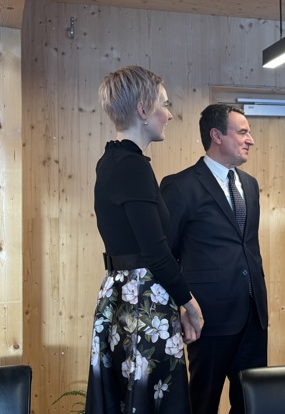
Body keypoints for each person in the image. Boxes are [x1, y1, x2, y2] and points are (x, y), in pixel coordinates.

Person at [86, 65, 203, 414]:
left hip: (122, 295)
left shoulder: (111, 160)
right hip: (143, 302)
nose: (168, 115)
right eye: (163, 105)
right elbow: (156, 251)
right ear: (142, 109)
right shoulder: (133, 166)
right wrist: (190, 304)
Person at [160, 104, 268, 414]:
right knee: (201, 403)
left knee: (251, 403)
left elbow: (246, 246)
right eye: (243, 132)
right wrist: (182, 304)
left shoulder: (249, 185)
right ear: (216, 135)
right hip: (208, 318)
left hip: (253, 314)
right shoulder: (180, 186)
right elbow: (167, 252)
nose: (250, 139)